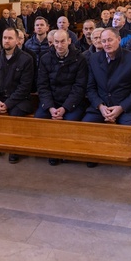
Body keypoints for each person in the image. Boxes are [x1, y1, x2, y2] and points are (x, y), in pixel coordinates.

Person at [0, 27, 35, 164]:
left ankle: (15, 148)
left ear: (17, 40)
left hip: (19, 99)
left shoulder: (26, 59)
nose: (7, 41)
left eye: (10, 38)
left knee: (15, 114)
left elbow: (24, 87)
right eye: (5, 38)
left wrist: (7, 104)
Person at [83, 28, 131, 138]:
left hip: (127, 107)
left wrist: (121, 108)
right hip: (101, 107)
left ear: (118, 39)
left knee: (126, 135)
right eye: (103, 41)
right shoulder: (94, 58)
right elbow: (90, 88)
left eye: (110, 40)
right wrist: (100, 106)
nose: (106, 44)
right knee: (85, 130)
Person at [36, 29, 89, 164]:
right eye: (56, 42)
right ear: (52, 43)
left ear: (69, 41)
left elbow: (79, 87)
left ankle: (66, 151)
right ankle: (51, 150)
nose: (60, 45)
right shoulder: (45, 58)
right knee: (40, 119)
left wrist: (65, 108)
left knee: (70, 121)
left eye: (63, 41)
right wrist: (50, 107)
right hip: (52, 101)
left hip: (72, 102)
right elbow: (43, 86)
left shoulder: (80, 59)